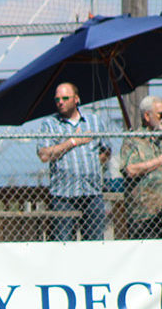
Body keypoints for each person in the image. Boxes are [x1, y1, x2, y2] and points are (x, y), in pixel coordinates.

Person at [37, 82, 112, 241]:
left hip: (92, 192)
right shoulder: (50, 124)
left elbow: (106, 149)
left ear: (76, 99)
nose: (60, 102)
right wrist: (72, 142)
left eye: (65, 98)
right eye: (57, 99)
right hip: (63, 195)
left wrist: (93, 163)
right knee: (63, 245)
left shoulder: (94, 121)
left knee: (94, 245)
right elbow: (44, 155)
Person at [121, 95, 162, 239]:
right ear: (147, 116)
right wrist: (159, 161)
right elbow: (129, 170)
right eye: (161, 114)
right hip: (143, 215)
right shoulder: (133, 140)